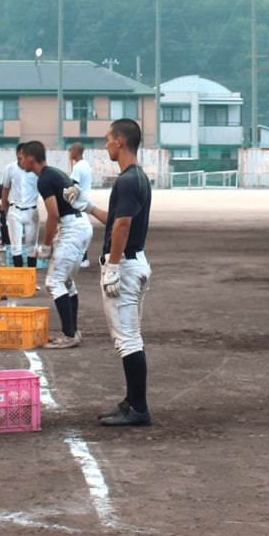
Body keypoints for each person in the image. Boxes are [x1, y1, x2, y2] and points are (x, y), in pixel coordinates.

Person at [85, 119, 153, 426]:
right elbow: (115, 219)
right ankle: (132, 402)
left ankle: (138, 408)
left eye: (108, 139)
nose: (106, 145)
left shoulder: (127, 181)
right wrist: (87, 206)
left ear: (120, 142)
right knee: (130, 337)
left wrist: (112, 266)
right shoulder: (136, 178)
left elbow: (122, 226)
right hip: (133, 261)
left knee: (127, 340)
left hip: (124, 264)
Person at [21, 140, 92, 349]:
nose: (21, 162)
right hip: (80, 225)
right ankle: (72, 332)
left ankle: (69, 335)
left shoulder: (44, 179)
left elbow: (53, 214)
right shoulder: (55, 172)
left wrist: (45, 246)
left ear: (31, 159)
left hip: (72, 228)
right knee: (66, 282)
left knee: (54, 282)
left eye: (21, 158)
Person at [1, 143, 41, 269]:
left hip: (32, 211)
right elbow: (5, 188)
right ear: (18, 155)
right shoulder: (10, 169)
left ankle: (31, 278)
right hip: (15, 210)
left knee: (31, 247)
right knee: (15, 246)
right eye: (20, 157)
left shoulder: (36, 171)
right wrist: (3, 208)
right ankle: (19, 277)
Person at [68, 142, 94, 267]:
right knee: (82, 231)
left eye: (71, 150)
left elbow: (73, 185)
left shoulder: (78, 167)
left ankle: (82, 259)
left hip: (78, 203)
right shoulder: (86, 165)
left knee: (77, 231)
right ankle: (84, 258)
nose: (69, 153)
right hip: (85, 201)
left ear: (75, 151)